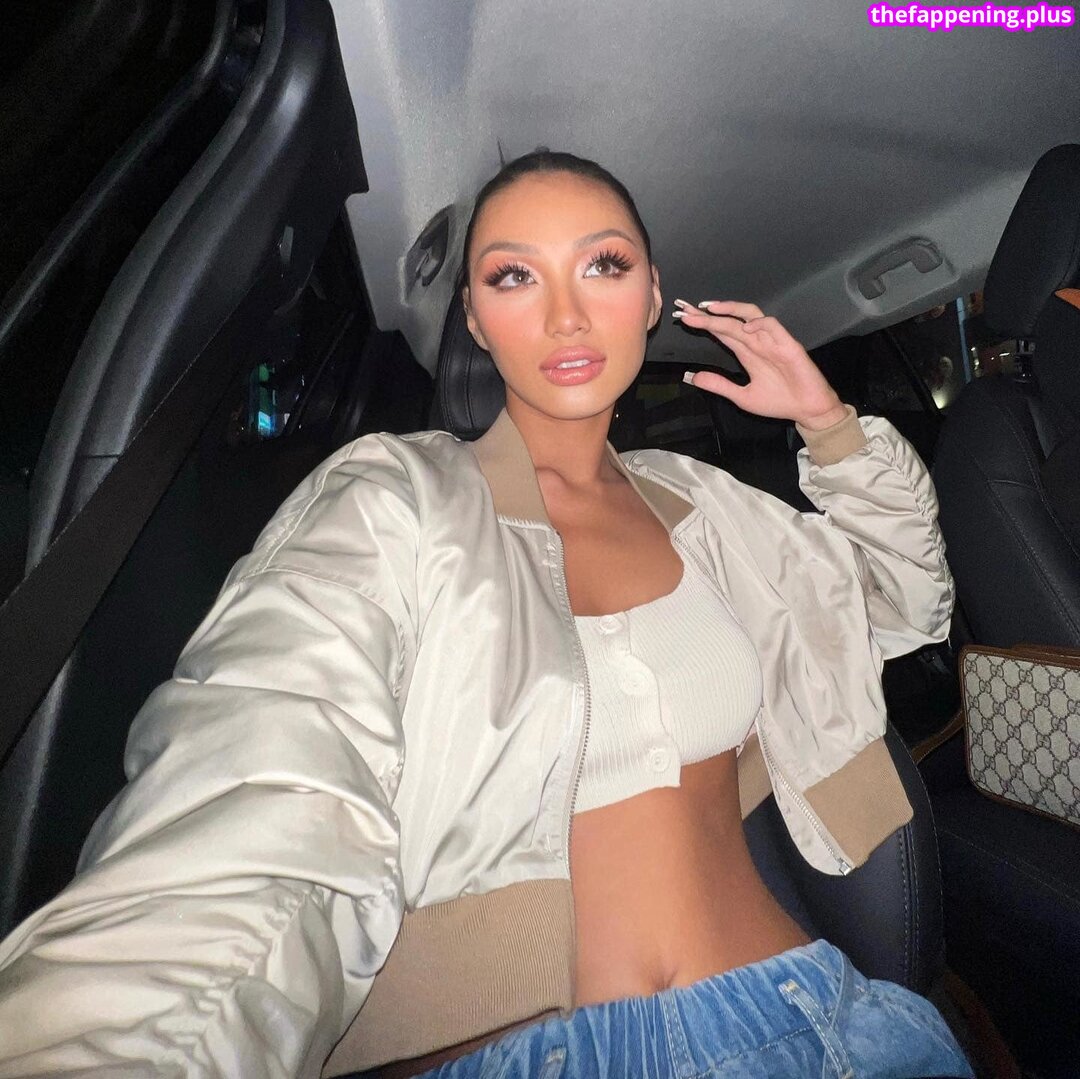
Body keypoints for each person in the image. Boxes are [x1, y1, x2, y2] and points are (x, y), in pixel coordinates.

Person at [0, 150, 972, 1079]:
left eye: (603, 265)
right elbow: (263, 786)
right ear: (474, 313)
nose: (565, 314)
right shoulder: (395, 502)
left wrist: (827, 425)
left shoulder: (703, 506)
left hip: (833, 1020)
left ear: (649, 293)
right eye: (514, 276)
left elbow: (903, 601)